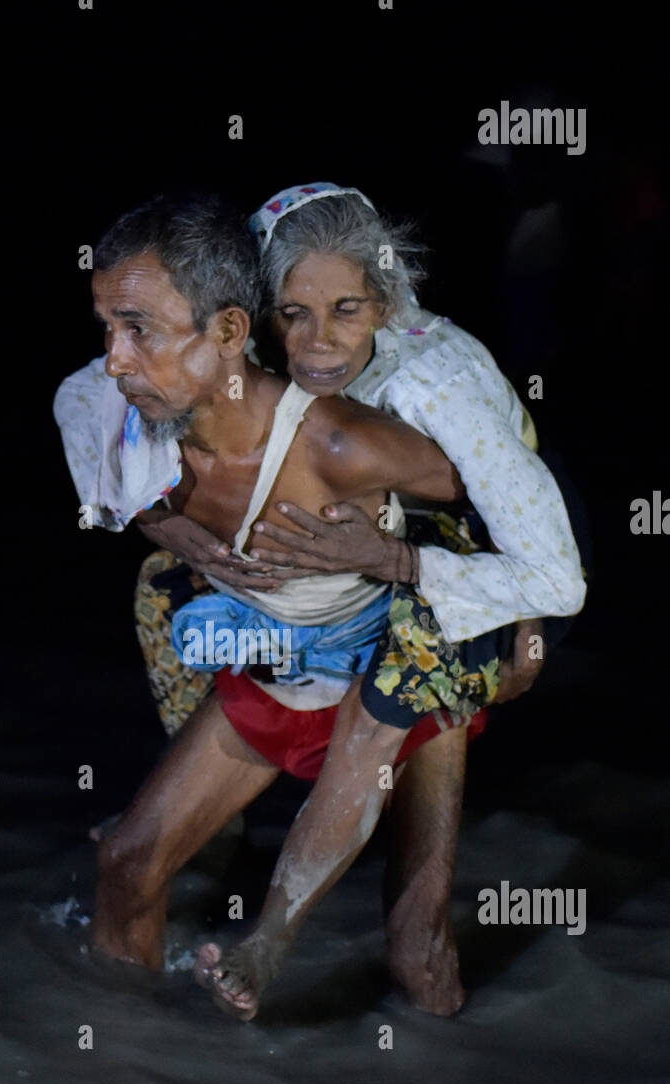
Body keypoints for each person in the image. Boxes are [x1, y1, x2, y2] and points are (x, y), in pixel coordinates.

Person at [53, 192, 585, 1011]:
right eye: (293, 315)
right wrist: (171, 530)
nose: (316, 342)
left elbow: (535, 547)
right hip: (304, 613)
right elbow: (94, 393)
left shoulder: (434, 388)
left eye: (344, 312)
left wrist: (492, 606)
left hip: (439, 588)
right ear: (256, 317)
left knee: (415, 943)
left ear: (385, 301)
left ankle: (368, 1025)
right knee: (160, 605)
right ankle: (134, 1083)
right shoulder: (233, 354)